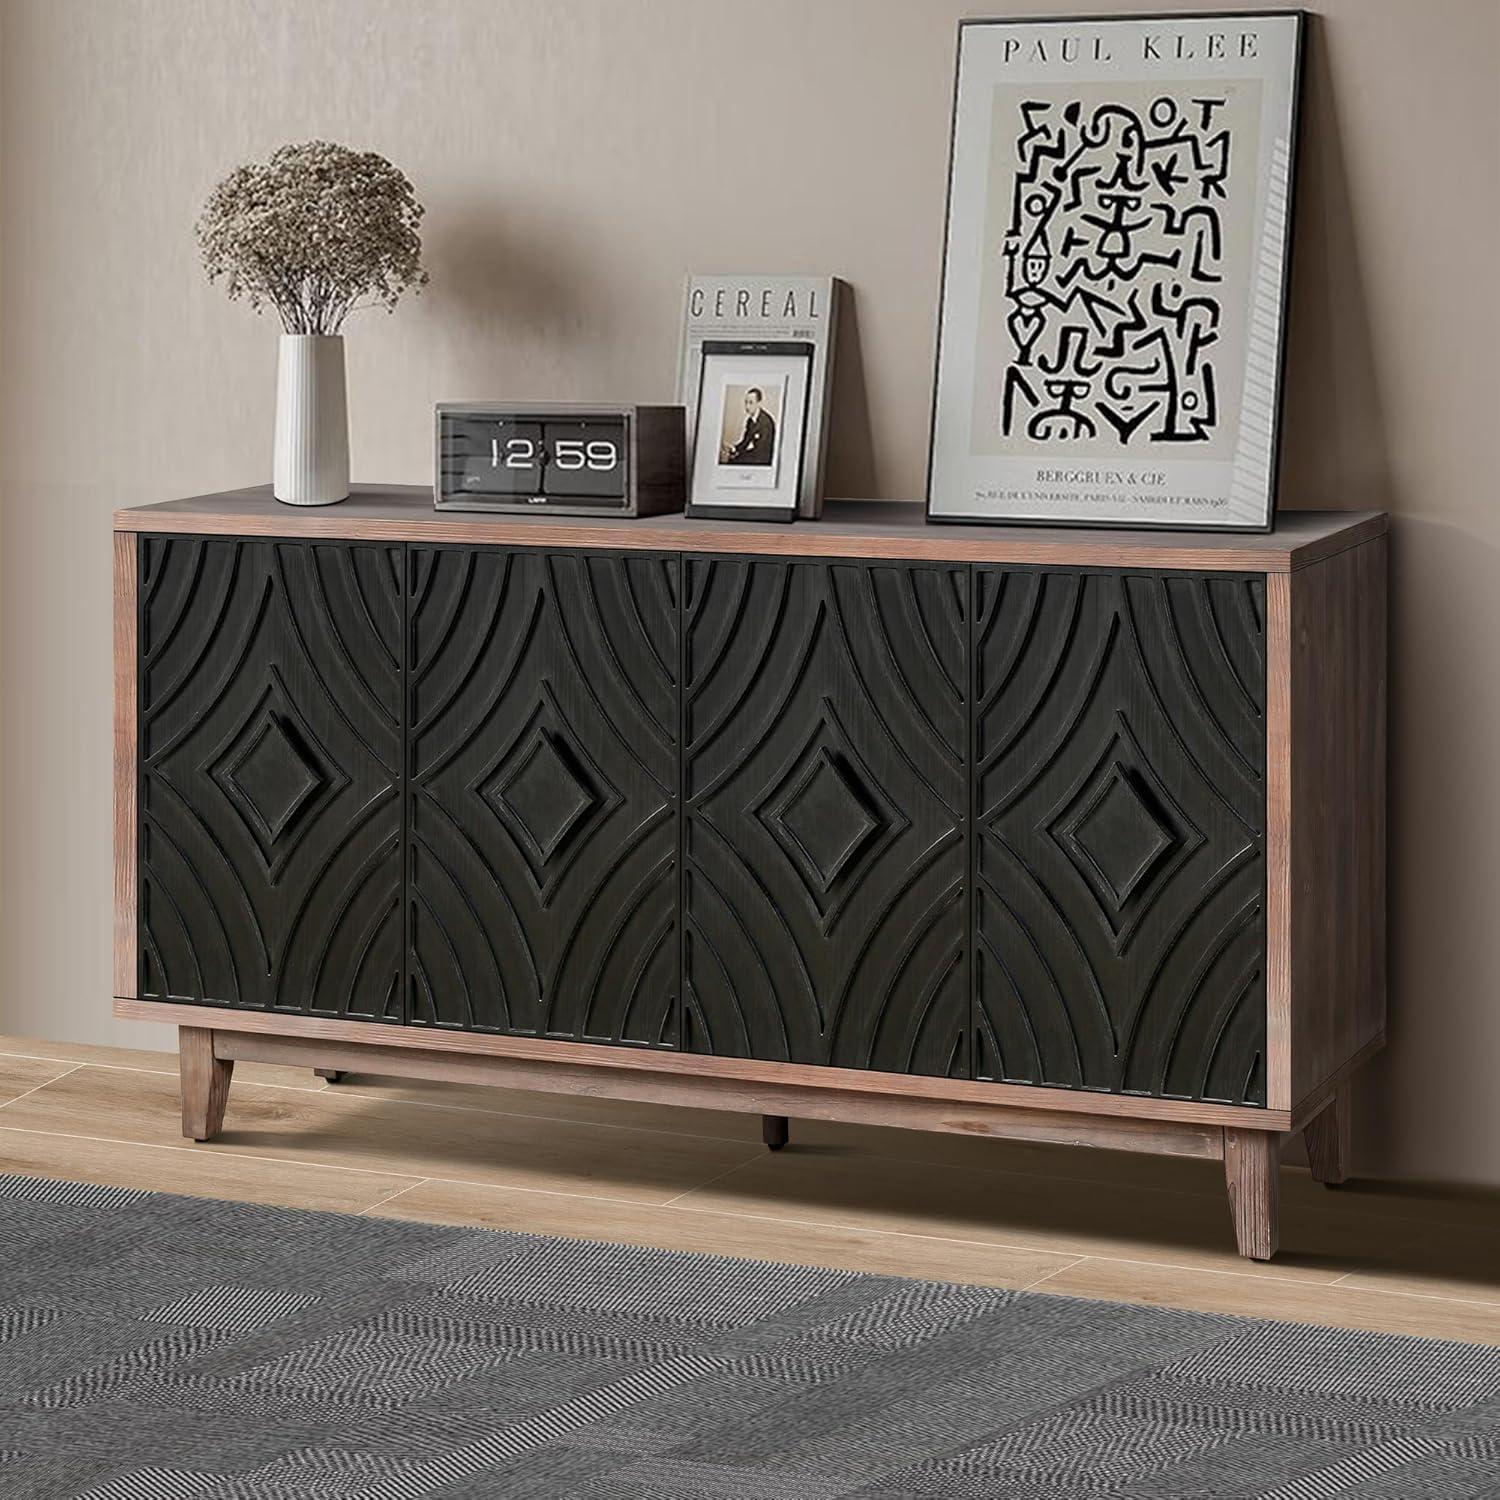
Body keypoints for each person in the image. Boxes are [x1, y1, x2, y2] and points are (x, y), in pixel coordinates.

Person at [723, 387, 776, 465]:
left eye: (751, 403)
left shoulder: (766, 423)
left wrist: (738, 455)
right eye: (746, 402)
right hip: (756, 456)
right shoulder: (750, 421)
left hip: (763, 460)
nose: (747, 406)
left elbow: (761, 453)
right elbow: (745, 442)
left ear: (759, 403)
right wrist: (734, 449)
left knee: (733, 461)